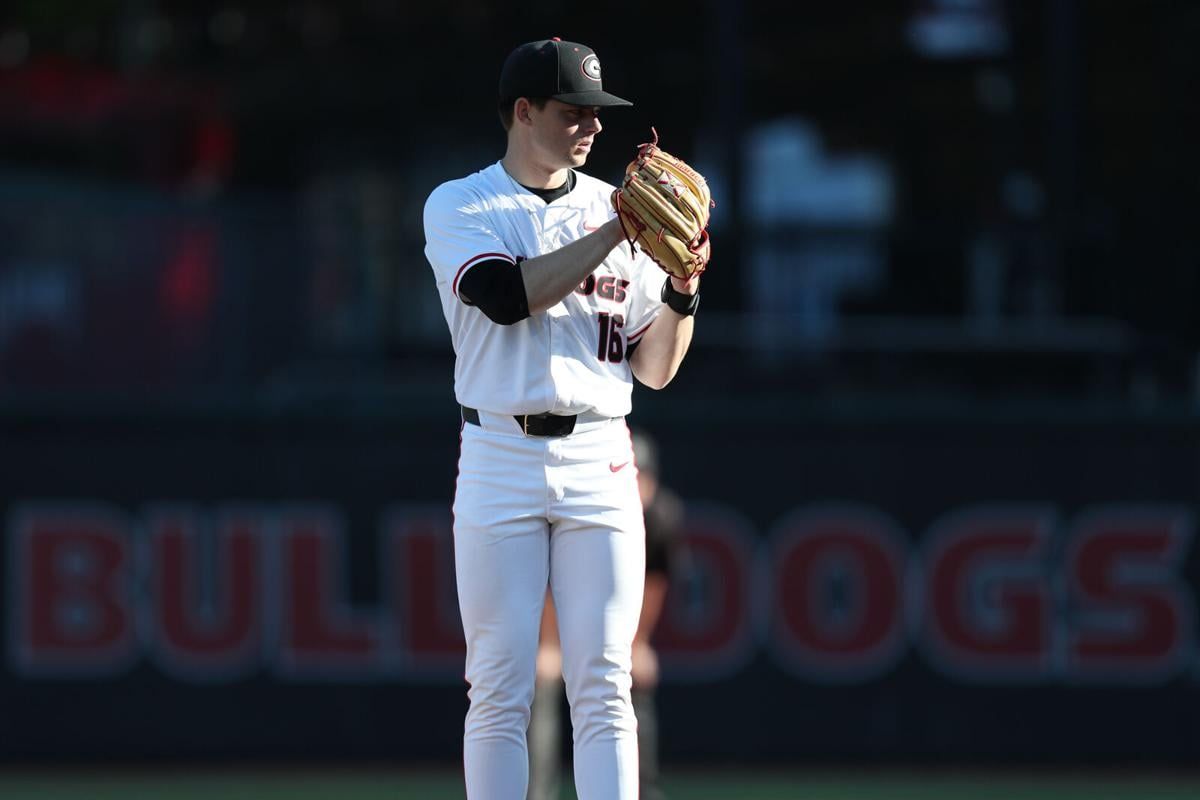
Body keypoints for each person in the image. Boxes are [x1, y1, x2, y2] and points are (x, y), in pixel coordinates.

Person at [421, 38, 703, 800]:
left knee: (605, 684)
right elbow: (509, 298)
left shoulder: (620, 210)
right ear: (523, 112)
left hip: (602, 456)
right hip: (497, 453)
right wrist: (619, 229)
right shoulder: (461, 203)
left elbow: (654, 369)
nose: (592, 127)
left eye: (596, 113)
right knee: (500, 685)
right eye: (572, 111)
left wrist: (682, 288)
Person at [527, 428, 686, 800]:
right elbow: (547, 576)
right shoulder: (578, 500)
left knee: (629, 677)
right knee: (542, 681)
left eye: (645, 477)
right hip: (562, 616)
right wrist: (550, 644)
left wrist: (638, 642)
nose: (639, 485)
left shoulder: (662, 517)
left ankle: (644, 791)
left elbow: (653, 584)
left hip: (606, 623)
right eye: (634, 474)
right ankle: (537, 794)